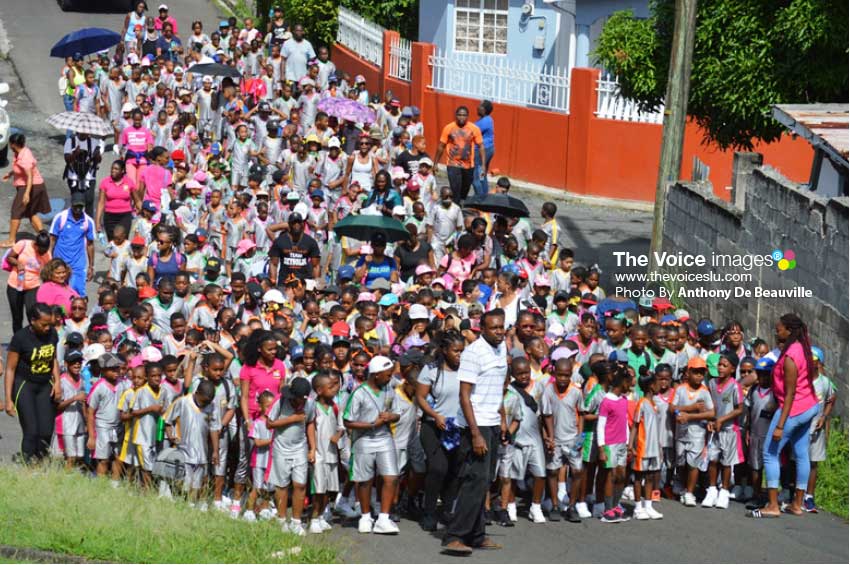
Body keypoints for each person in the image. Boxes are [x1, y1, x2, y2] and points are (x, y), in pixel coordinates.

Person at [441, 309, 506, 555]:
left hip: (490, 421)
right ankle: (454, 535)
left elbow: (498, 386)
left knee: (485, 480)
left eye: (501, 327)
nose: (499, 332)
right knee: (475, 480)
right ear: (483, 329)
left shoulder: (501, 348)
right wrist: (476, 433)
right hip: (474, 424)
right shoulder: (473, 353)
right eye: (494, 328)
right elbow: (465, 396)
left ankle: (477, 534)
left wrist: (501, 418)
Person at [751, 313, 819, 518]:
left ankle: (772, 505)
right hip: (809, 406)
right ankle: (797, 504)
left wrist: (780, 425)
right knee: (801, 454)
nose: (776, 331)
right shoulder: (801, 348)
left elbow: (789, 393)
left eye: (778, 328)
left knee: (769, 453)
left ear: (789, 330)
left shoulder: (790, 356)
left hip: (794, 409)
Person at [343, 355, 401, 535]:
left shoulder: (389, 389)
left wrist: (391, 417)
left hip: (385, 438)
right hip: (364, 440)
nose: (390, 377)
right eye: (387, 375)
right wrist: (371, 425)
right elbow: (348, 421)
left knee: (391, 477)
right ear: (376, 375)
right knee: (365, 480)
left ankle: (383, 518)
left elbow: (397, 413)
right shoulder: (359, 393)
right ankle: (365, 516)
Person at [415, 330, 464, 531]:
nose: (459, 355)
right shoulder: (431, 370)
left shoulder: (467, 370)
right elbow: (420, 397)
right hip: (434, 426)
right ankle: (428, 511)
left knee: (455, 470)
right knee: (438, 468)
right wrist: (436, 416)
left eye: (462, 350)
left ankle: (447, 509)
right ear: (444, 350)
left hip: (458, 426)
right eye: (455, 351)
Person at [3, 303, 59, 461]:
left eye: (50, 324)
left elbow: (53, 359)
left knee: (46, 431)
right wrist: (8, 400)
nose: (48, 328)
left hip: (44, 385)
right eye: (44, 324)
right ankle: (28, 465)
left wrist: (58, 383)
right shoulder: (20, 338)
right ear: (32, 321)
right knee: (31, 430)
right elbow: (10, 369)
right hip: (24, 385)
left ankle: (41, 462)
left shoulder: (52, 334)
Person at [267, 376, 316, 536]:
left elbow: (310, 423)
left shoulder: (310, 404)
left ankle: (296, 521)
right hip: (281, 448)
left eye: (300, 401)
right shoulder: (280, 402)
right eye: (295, 400)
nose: (298, 403)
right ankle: (282, 520)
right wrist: (292, 419)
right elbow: (270, 423)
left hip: (300, 448)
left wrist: (312, 448)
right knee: (281, 485)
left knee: (300, 485)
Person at [1, 133, 50, 247]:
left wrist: (27, 193)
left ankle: (11, 240)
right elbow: (21, 169)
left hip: (31, 186)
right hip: (34, 186)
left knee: (16, 211)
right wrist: (10, 173)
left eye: (10, 143)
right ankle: (44, 237)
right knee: (31, 212)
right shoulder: (21, 151)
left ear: (13, 144)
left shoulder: (24, 157)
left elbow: (30, 176)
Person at [433, 106, 485, 204]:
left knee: (465, 190)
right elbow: (441, 146)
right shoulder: (448, 128)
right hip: (453, 164)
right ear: (456, 116)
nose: (461, 117)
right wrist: (435, 163)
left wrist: (483, 166)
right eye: (459, 115)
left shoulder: (474, 129)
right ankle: (455, 209)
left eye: (464, 115)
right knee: (455, 189)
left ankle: (460, 204)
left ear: (467, 116)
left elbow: (481, 146)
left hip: (469, 165)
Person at [5, 231, 51, 333]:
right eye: (41, 250)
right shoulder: (23, 244)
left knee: (33, 315)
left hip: (33, 286)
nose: (43, 253)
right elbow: (9, 257)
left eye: (45, 250)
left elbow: (48, 271)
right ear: (35, 245)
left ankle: (32, 339)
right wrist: (18, 263)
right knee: (17, 317)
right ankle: (18, 340)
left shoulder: (47, 254)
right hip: (15, 285)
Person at [268, 213, 321, 286]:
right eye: (294, 222)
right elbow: (273, 264)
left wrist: (316, 285)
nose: (296, 224)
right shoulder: (280, 241)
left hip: (303, 284)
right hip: (285, 283)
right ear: (289, 224)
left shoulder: (310, 242)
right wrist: (273, 282)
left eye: (299, 222)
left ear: (303, 224)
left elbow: (316, 266)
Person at [96, 160, 136, 241]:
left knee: (123, 241)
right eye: (112, 168)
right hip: (110, 217)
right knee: (112, 243)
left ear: (122, 171)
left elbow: (137, 200)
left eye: (116, 169)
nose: (113, 171)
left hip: (125, 216)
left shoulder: (129, 182)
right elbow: (101, 203)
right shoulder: (105, 182)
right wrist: (97, 222)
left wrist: (143, 216)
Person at [471, 100, 494, 197]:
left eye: (480, 106)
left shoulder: (483, 122)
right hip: (489, 149)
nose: (477, 107)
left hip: (481, 152)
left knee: (475, 177)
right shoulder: (489, 119)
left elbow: (471, 131)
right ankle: (485, 196)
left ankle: (480, 198)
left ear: (484, 110)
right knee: (482, 175)